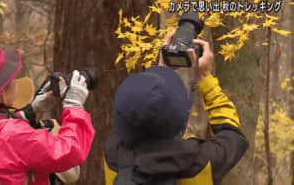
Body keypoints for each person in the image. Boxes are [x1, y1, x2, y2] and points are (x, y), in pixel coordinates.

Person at [103, 30, 249, 185]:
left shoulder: (113, 156)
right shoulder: (200, 161)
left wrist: (162, 71)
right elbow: (232, 134)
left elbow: (138, 110)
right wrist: (206, 79)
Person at [0, 40, 95, 184]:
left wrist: (30, 112)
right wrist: (74, 104)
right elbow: (69, 153)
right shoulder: (14, 135)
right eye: (11, 79)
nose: (15, 82)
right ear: (0, 92)